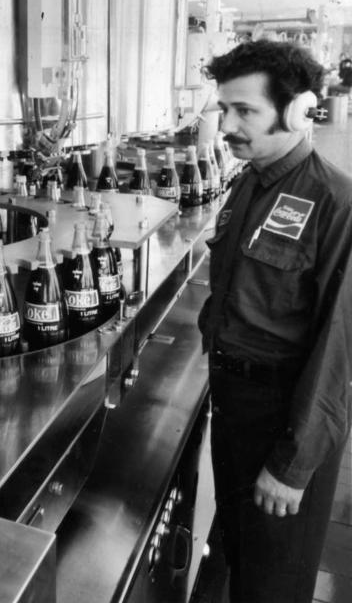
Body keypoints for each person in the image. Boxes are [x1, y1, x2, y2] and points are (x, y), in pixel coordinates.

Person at [199, 39, 352, 603]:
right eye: (224, 110)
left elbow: (339, 349)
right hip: (233, 405)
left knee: (275, 582)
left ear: (293, 111)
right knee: (242, 552)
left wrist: (293, 464)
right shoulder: (249, 182)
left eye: (245, 111)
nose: (228, 125)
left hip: (285, 417)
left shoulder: (336, 202)